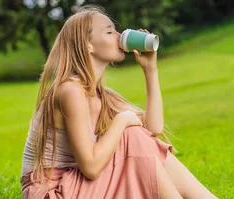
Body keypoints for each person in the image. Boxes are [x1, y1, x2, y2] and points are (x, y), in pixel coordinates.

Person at [20, 5, 217, 199]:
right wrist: (122, 121)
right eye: (109, 31)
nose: (119, 36)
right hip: (52, 191)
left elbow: (152, 129)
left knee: (134, 134)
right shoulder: (70, 90)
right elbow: (91, 167)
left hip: (75, 185)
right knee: (129, 134)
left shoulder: (101, 95)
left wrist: (150, 70)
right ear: (87, 44)